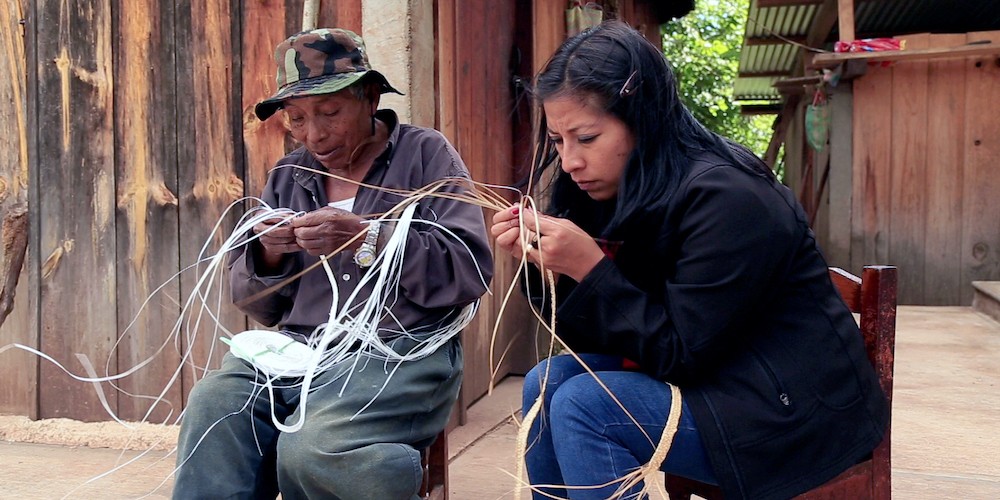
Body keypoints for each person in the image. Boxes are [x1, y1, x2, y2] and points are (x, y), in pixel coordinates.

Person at [491, 20, 888, 500]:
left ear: (641, 119)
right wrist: (546, 266)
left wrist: (590, 269)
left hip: (794, 413)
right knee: (546, 383)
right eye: (558, 141)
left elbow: (681, 354)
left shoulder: (728, 198)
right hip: (718, 380)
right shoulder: (614, 189)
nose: (570, 160)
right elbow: (600, 337)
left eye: (587, 137)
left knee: (584, 406)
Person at [174, 28, 493, 499]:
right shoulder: (289, 174)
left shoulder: (425, 155)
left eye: (329, 112)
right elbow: (258, 304)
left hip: (400, 353)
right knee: (214, 406)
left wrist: (368, 238)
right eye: (297, 119)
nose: (314, 135)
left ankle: (388, 476)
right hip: (302, 350)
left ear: (369, 96)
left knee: (312, 448)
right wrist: (268, 252)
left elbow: (468, 271)